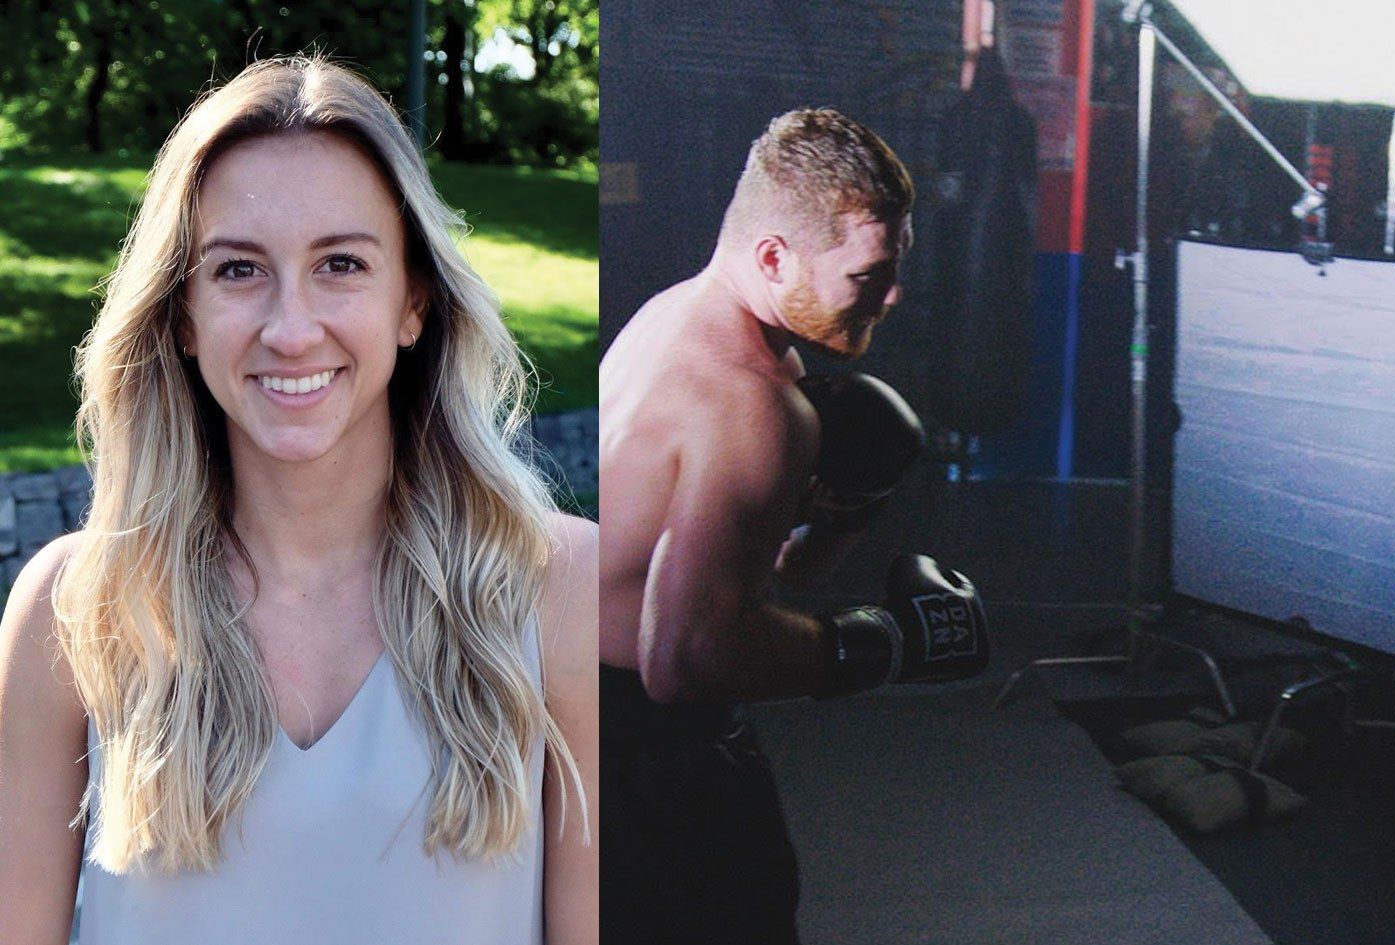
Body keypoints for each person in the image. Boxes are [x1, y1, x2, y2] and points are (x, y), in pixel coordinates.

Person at [0, 58, 598, 945]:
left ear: (414, 302)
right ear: (183, 316)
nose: (290, 328)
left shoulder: (557, 590)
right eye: (240, 270)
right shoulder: (73, 611)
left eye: (342, 264)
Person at [597, 108, 990, 944]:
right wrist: (893, 642)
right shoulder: (753, 402)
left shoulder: (674, 318)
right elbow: (688, 655)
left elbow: (755, 572)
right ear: (775, 256)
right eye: (869, 274)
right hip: (645, 753)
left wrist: (839, 516)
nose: (893, 295)